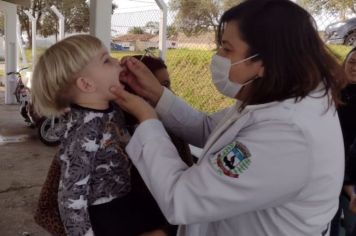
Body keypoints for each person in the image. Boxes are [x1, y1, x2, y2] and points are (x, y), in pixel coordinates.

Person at [111, 0, 347, 235]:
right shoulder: (276, 100)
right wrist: (155, 93)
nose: (218, 56)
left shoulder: (288, 133)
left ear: (265, 60)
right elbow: (208, 128)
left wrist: (148, 120)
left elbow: (182, 198)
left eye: (226, 48)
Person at [31, 34, 134, 236]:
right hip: (104, 215)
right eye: (106, 60)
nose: (117, 62)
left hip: (123, 199)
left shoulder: (113, 108)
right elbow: (71, 197)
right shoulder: (83, 132)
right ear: (87, 85)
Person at [331, 47, 356, 236]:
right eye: (352, 62)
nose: (355, 67)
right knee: (330, 221)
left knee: (350, 223)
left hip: (352, 173)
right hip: (330, 166)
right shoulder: (330, 91)